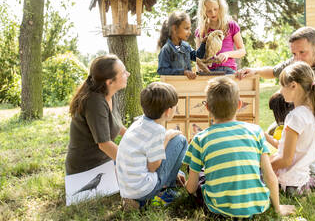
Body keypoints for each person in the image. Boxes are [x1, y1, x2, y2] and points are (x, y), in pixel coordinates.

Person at [236, 26, 315, 183]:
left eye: (302, 52)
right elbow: (275, 71)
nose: (297, 58)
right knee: (276, 129)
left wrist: (301, 114)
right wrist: (254, 71)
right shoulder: (298, 61)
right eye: (294, 54)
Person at [183, 76, 295, 218]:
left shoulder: (200, 139)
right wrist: (278, 208)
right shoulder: (256, 131)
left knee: (197, 170)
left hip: (217, 210)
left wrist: (185, 184)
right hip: (257, 206)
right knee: (255, 169)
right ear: (240, 104)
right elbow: (269, 175)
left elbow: (191, 187)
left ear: (207, 107)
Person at [116, 82, 188, 210]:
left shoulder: (138, 122)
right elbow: (152, 167)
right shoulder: (157, 131)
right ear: (168, 111)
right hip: (143, 189)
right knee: (180, 140)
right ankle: (165, 193)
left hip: (127, 188)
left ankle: (138, 200)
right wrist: (166, 139)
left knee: (177, 169)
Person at [268, 62, 315, 196]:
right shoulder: (312, 112)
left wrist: (263, 168)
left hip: (287, 181)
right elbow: (289, 150)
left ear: (293, 86)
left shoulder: (295, 117)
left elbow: (286, 160)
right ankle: (308, 185)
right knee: (269, 158)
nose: (280, 90)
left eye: (281, 85)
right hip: (301, 176)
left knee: (257, 169)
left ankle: (298, 190)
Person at [66, 55, 129, 175]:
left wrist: (139, 140)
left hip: (105, 161)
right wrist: (133, 164)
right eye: (123, 73)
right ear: (109, 82)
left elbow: (118, 126)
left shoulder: (110, 94)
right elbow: (104, 144)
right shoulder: (94, 102)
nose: (128, 74)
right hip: (88, 170)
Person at [265, 92, 315, 175]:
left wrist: (265, 136)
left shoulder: (294, 123)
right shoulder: (304, 114)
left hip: (310, 165)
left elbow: (283, 149)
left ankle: (308, 181)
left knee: (272, 167)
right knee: (271, 159)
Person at [195, 0, 246, 74]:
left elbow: (242, 51)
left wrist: (227, 54)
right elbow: (198, 57)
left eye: (215, 9)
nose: (213, 13)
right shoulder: (201, 30)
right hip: (208, 72)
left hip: (228, 70)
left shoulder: (231, 25)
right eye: (209, 11)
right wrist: (199, 69)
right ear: (204, 12)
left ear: (221, 7)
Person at [157, 11, 206, 79]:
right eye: (186, 28)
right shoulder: (167, 49)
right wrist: (183, 72)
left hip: (186, 86)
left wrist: (203, 43)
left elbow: (198, 56)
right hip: (173, 87)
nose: (189, 32)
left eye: (190, 29)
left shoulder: (186, 47)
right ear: (174, 29)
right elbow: (162, 70)